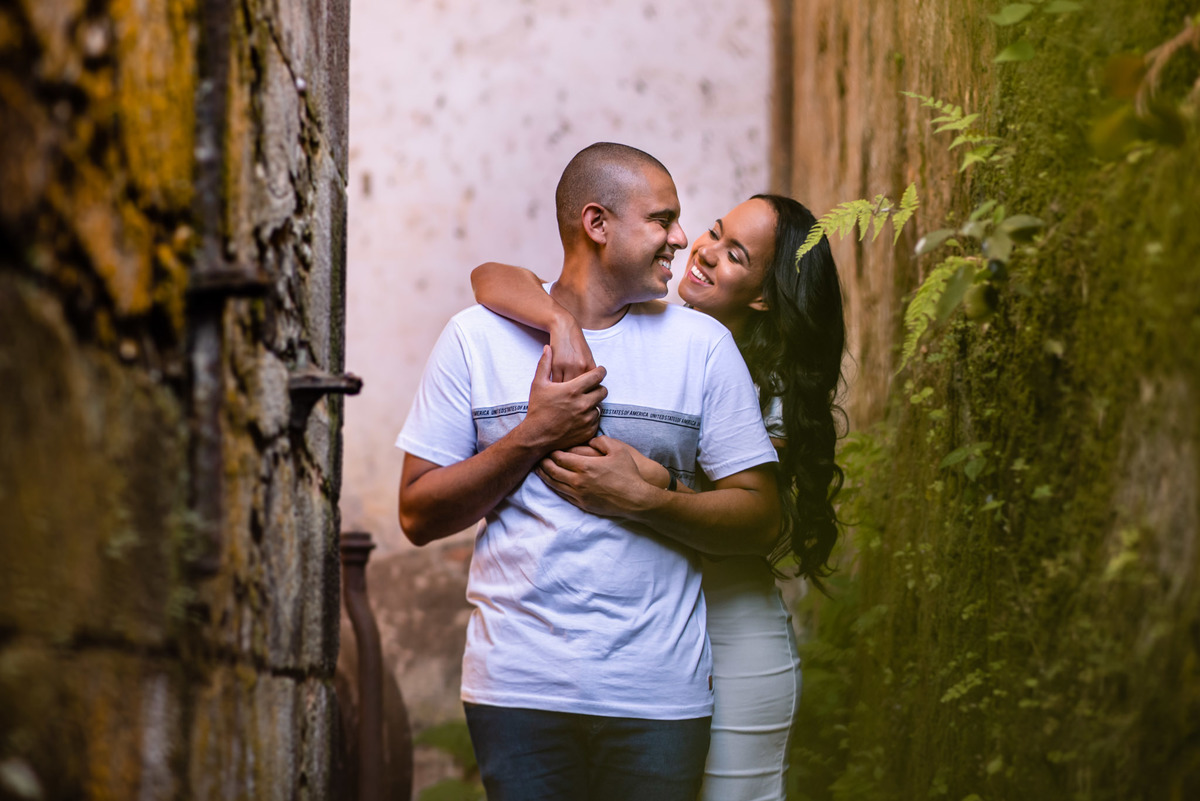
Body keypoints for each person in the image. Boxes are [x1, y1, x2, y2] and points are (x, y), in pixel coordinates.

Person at [395, 142, 782, 801]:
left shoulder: (704, 346)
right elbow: (417, 513)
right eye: (663, 219)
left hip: (658, 697)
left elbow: (764, 516)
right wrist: (533, 434)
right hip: (516, 690)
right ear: (597, 224)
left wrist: (648, 500)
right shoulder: (475, 337)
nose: (682, 239)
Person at [471, 193, 847, 801]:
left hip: (727, 623)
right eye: (715, 232)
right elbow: (491, 276)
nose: (702, 250)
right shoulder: (642, 323)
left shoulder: (765, 385)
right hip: (651, 641)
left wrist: (658, 487)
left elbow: (755, 514)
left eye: (734, 255)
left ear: (761, 296)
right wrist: (560, 322)